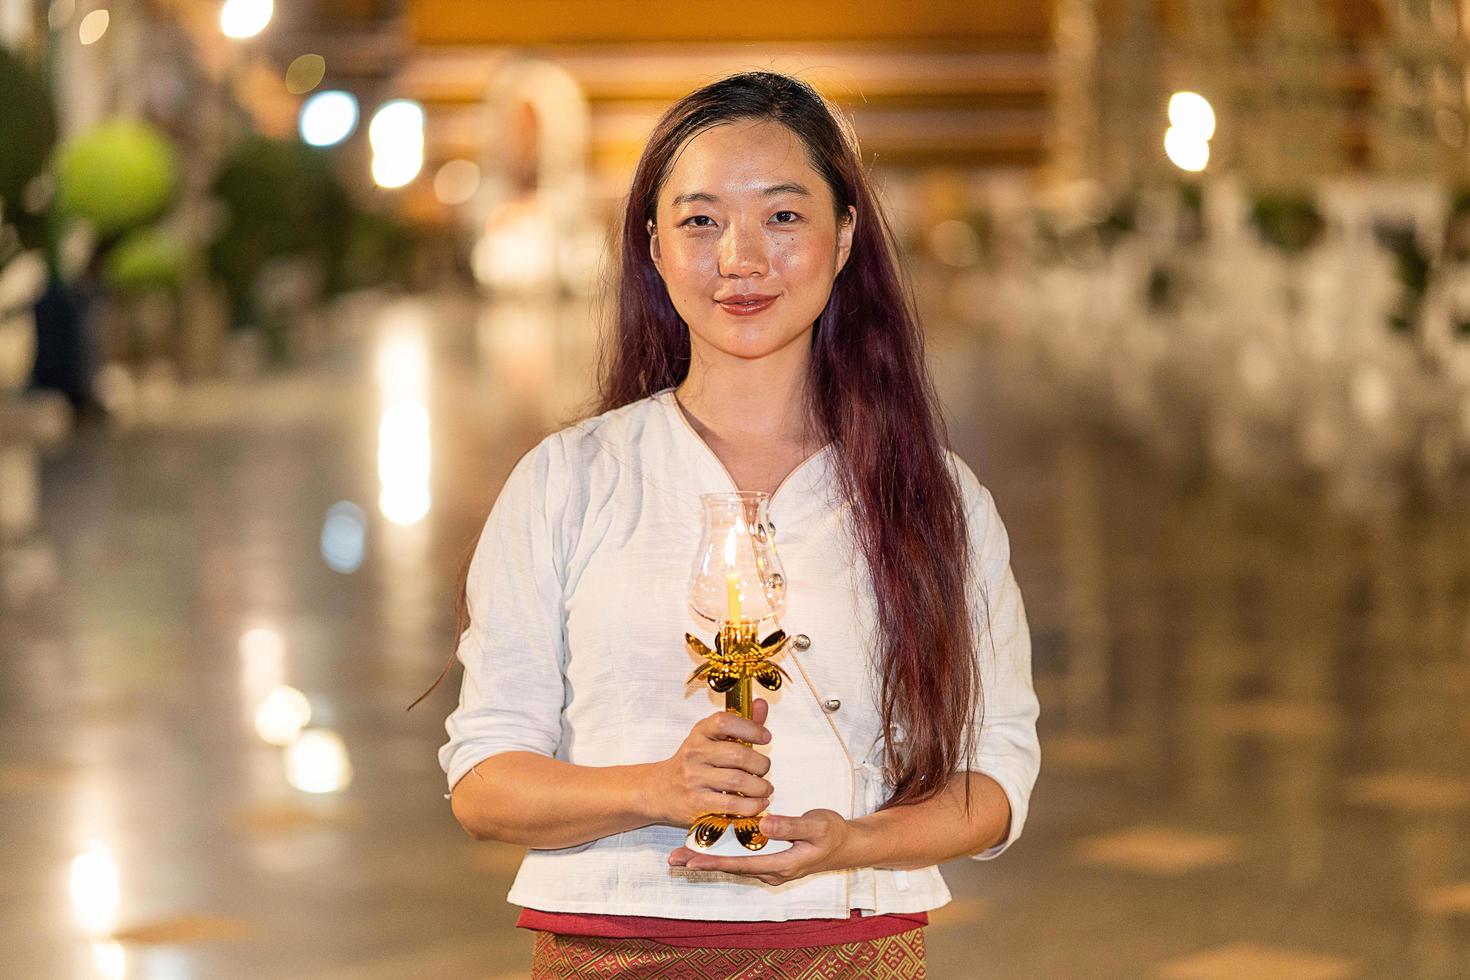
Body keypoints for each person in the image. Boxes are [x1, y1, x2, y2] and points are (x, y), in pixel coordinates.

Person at [439, 71, 1040, 979]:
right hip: (617, 948)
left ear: (845, 236)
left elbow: (994, 780)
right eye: (701, 219)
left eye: (784, 217)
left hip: (850, 948)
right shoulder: (566, 483)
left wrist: (856, 843)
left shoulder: (937, 499)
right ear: (652, 245)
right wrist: (654, 789)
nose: (741, 259)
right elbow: (484, 782)